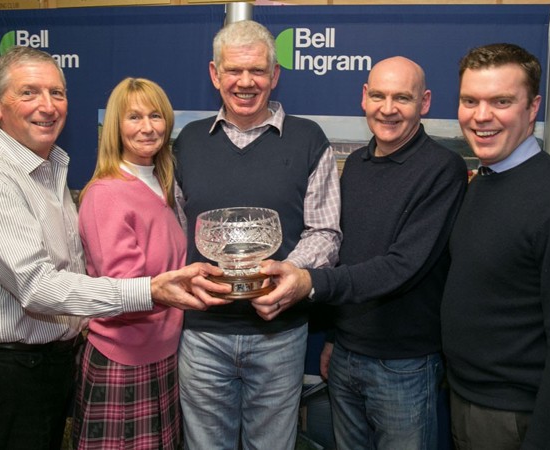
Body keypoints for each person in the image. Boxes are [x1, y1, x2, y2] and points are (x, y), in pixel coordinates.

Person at [0, 47, 229, 450]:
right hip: (4, 374)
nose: (47, 106)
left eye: (57, 93)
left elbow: (76, 269)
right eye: (29, 93)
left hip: (55, 362)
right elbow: (37, 287)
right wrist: (150, 290)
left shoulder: (48, 172)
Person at [253, 56, 467, 449]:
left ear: (425, 102)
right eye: (380, 96)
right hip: (347, 354)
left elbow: (402, 267)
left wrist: (308, 281)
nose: (388, 109)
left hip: (403, 365)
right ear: (364, 98)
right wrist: (335, 335)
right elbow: (347, 253)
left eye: (402, 97)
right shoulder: (356, 164)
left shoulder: (443, 168)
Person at [173, 20, 342, 450]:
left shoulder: (309, 139)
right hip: (202, 334)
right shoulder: (187, 142)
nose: (245, 82)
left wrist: (287, 272)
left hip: (279, 335)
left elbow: (324, 231)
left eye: (257, 71)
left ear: (275, 75)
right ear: (215, 74)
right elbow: (176, 232)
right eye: (233, 70)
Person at [440, 43, 550, 450]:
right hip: (464, 399)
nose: (481, 116)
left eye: (501, 101)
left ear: (532, 107)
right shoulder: (483, 180)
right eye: (470, 100)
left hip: (515, 421)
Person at [71, 78, 189, 449]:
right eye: (134, 117)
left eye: (155, 115)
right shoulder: (106, 193)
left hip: (163, 355)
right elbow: (123, 287)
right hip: (122, 361)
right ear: (115, 129)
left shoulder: (163, 185)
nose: (147, 126)